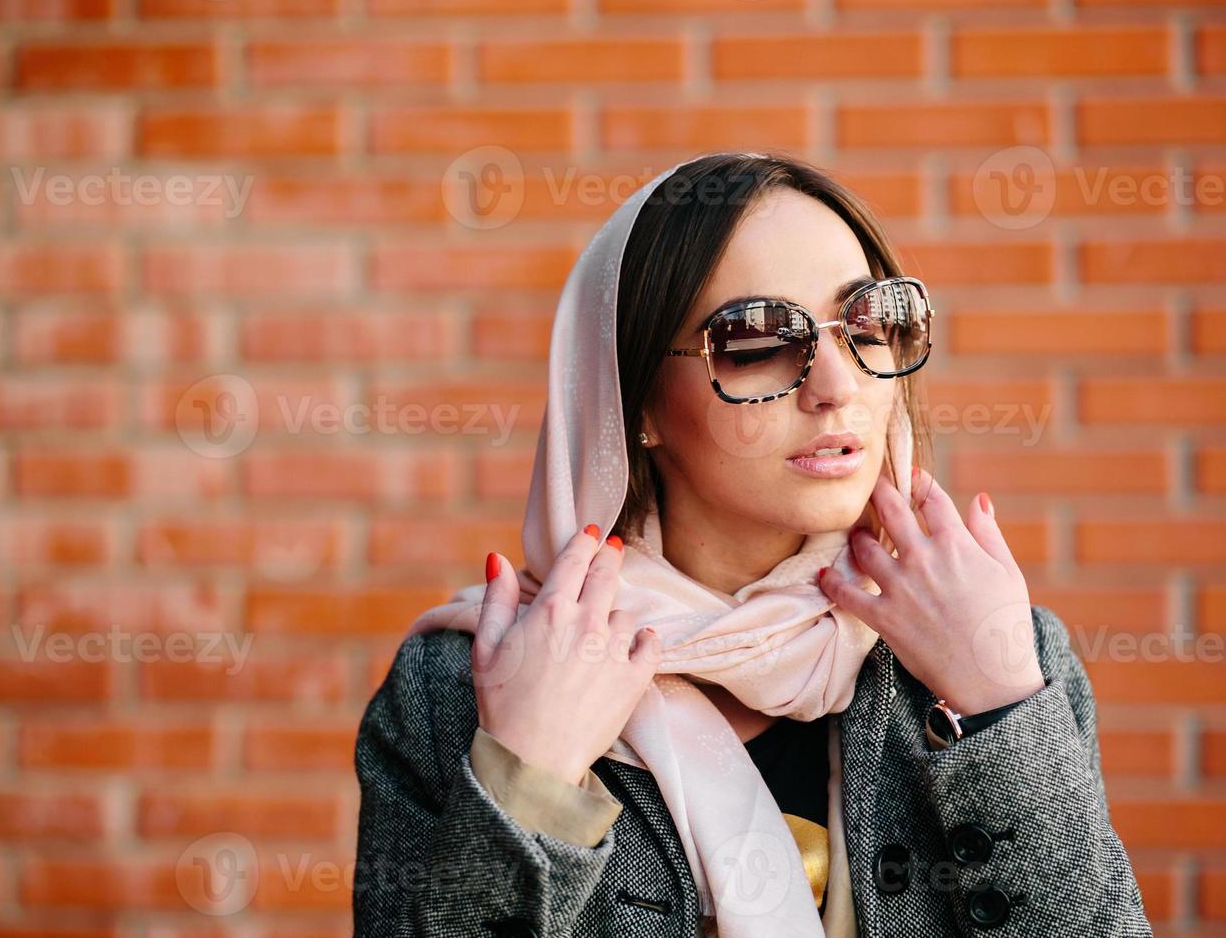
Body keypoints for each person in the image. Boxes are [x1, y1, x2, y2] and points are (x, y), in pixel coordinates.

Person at [352, 151, 1152, 937]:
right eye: (758, 339)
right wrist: (528, 782)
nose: (839, 386)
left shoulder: (996, 662)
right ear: (633, 404)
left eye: (869, 324)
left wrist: (1001, 712)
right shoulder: (459, 693)